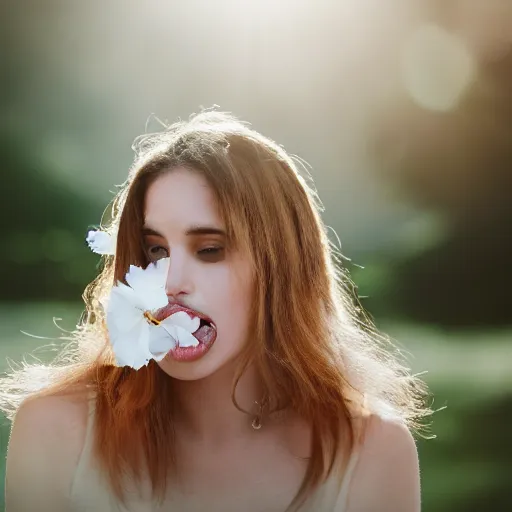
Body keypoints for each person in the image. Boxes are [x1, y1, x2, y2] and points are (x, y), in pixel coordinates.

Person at [2, 110, 430, 512]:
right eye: (155, 249)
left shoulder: (373, 452)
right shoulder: (55, 431)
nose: (169, 282)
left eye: (210, 250)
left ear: (282, 268)